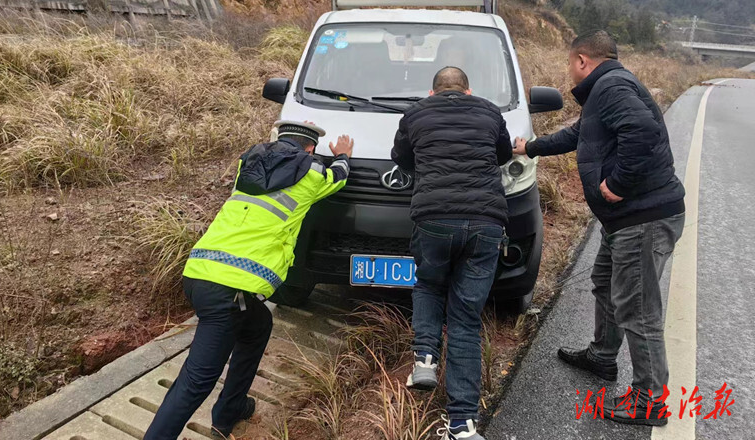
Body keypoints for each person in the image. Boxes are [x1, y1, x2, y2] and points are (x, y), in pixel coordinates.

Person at [513, 30, 685, 427]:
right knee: (605, 279)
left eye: (569, 62)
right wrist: (531, 147)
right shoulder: (606, 90)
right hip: (628, 218)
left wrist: (618, 184)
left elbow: (642, 131)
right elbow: (578, 135)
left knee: (638, 308)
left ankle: (649, 400)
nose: (569, 70)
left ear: (582, 61)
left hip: (643, 216)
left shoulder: (610, 87)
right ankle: (603, 356)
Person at [143, 121, 354, 440]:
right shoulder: (311, 173)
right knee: (197, 381)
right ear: (310, 149)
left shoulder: (248, 163)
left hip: (200, 272)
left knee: (258, 326)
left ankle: (230, 409)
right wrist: (342, 156)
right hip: (230, 288)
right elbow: (338, 177)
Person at [392, 67, 512, 440]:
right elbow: (503, 155)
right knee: (465, 320)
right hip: (486, 224)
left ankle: (425, 358)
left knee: (428, 285)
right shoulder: (491, 111)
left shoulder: (415, 114)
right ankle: (463, 424)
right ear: (468, 90)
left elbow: (402, 158)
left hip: (434, 219)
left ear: (432, 93)